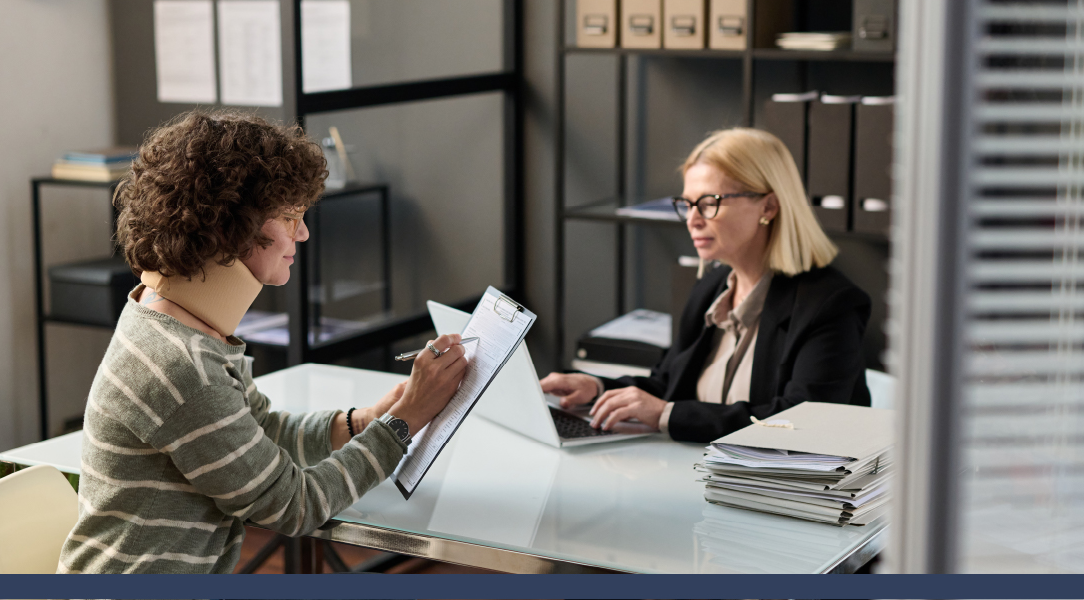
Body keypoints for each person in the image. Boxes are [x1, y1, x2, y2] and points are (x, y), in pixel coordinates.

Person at [58, 111, 467, 573]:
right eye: (290, 218)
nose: (304, 233)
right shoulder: (182, 367)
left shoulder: (173, 323)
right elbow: (293, 505)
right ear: (227, 227)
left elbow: (263, 434)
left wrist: (368, 420)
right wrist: (405, 423)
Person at [542, 128, 871, 443]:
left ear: (768, 207)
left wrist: (668, 415)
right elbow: (668, 385)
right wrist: (596, 388)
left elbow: (800, 423)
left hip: (783, 495)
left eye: (709, 203)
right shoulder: (712, 288)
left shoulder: (830, 306)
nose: (692, 219)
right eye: (687, 204)